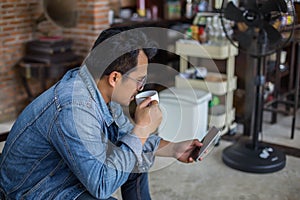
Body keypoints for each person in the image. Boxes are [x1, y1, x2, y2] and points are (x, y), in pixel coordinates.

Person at [0, 26, 204, 200]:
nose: (141, 89)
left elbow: (128, 139)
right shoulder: (74, 107)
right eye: (139, 81)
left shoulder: (101, 90)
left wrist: (175, 149)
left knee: (135, 159)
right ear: (115, 78)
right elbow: (101, 185)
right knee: (129, 155)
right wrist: (141, 129)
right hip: (33, 191)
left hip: (65, 173)